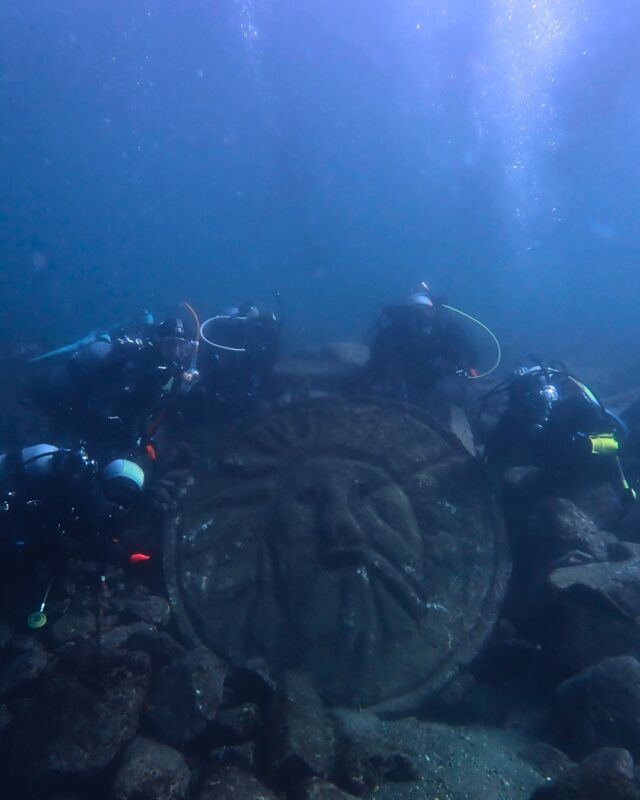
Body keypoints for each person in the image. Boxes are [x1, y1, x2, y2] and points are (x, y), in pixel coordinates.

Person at [30, 312, 199, 460]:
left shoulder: (170, 369)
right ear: (158, 341)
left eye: (184, 347)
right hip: (78, 410)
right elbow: (108, 402)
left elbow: (148, 404)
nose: (176, 354)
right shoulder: (133, 362)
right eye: (171, 345)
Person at [482, 361, 637, 504]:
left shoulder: (573, 409)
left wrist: (586, 445)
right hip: (557, 465)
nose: (528, 411)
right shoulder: (514, 416)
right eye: (521, 405)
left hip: (591, 464)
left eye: (532, 403)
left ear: (547, 397)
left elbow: (616, 442)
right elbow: (492, 454)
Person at [0, 443, 146, 570]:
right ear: (100, 482)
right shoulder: (65, 487)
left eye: (126, 500)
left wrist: (125, 557)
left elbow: (89, 537)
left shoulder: (96, 514)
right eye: (116, 493)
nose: (118, 505)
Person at [366, 284, 479, 403]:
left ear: (434, 314)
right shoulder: (394, 333)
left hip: (436, 378)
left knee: (447, 390)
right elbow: (377, 358)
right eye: (415, 315)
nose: (420, 321)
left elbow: (468, 356)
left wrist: (455, 369)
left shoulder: (447, 330)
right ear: (406, 316)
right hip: (406, 378)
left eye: (424, 314)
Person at [195, 300, 281, 420]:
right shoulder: (228, 332)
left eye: (262, 334)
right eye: (256, 332)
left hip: (240, 382)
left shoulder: (260, 347)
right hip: (221, 382)